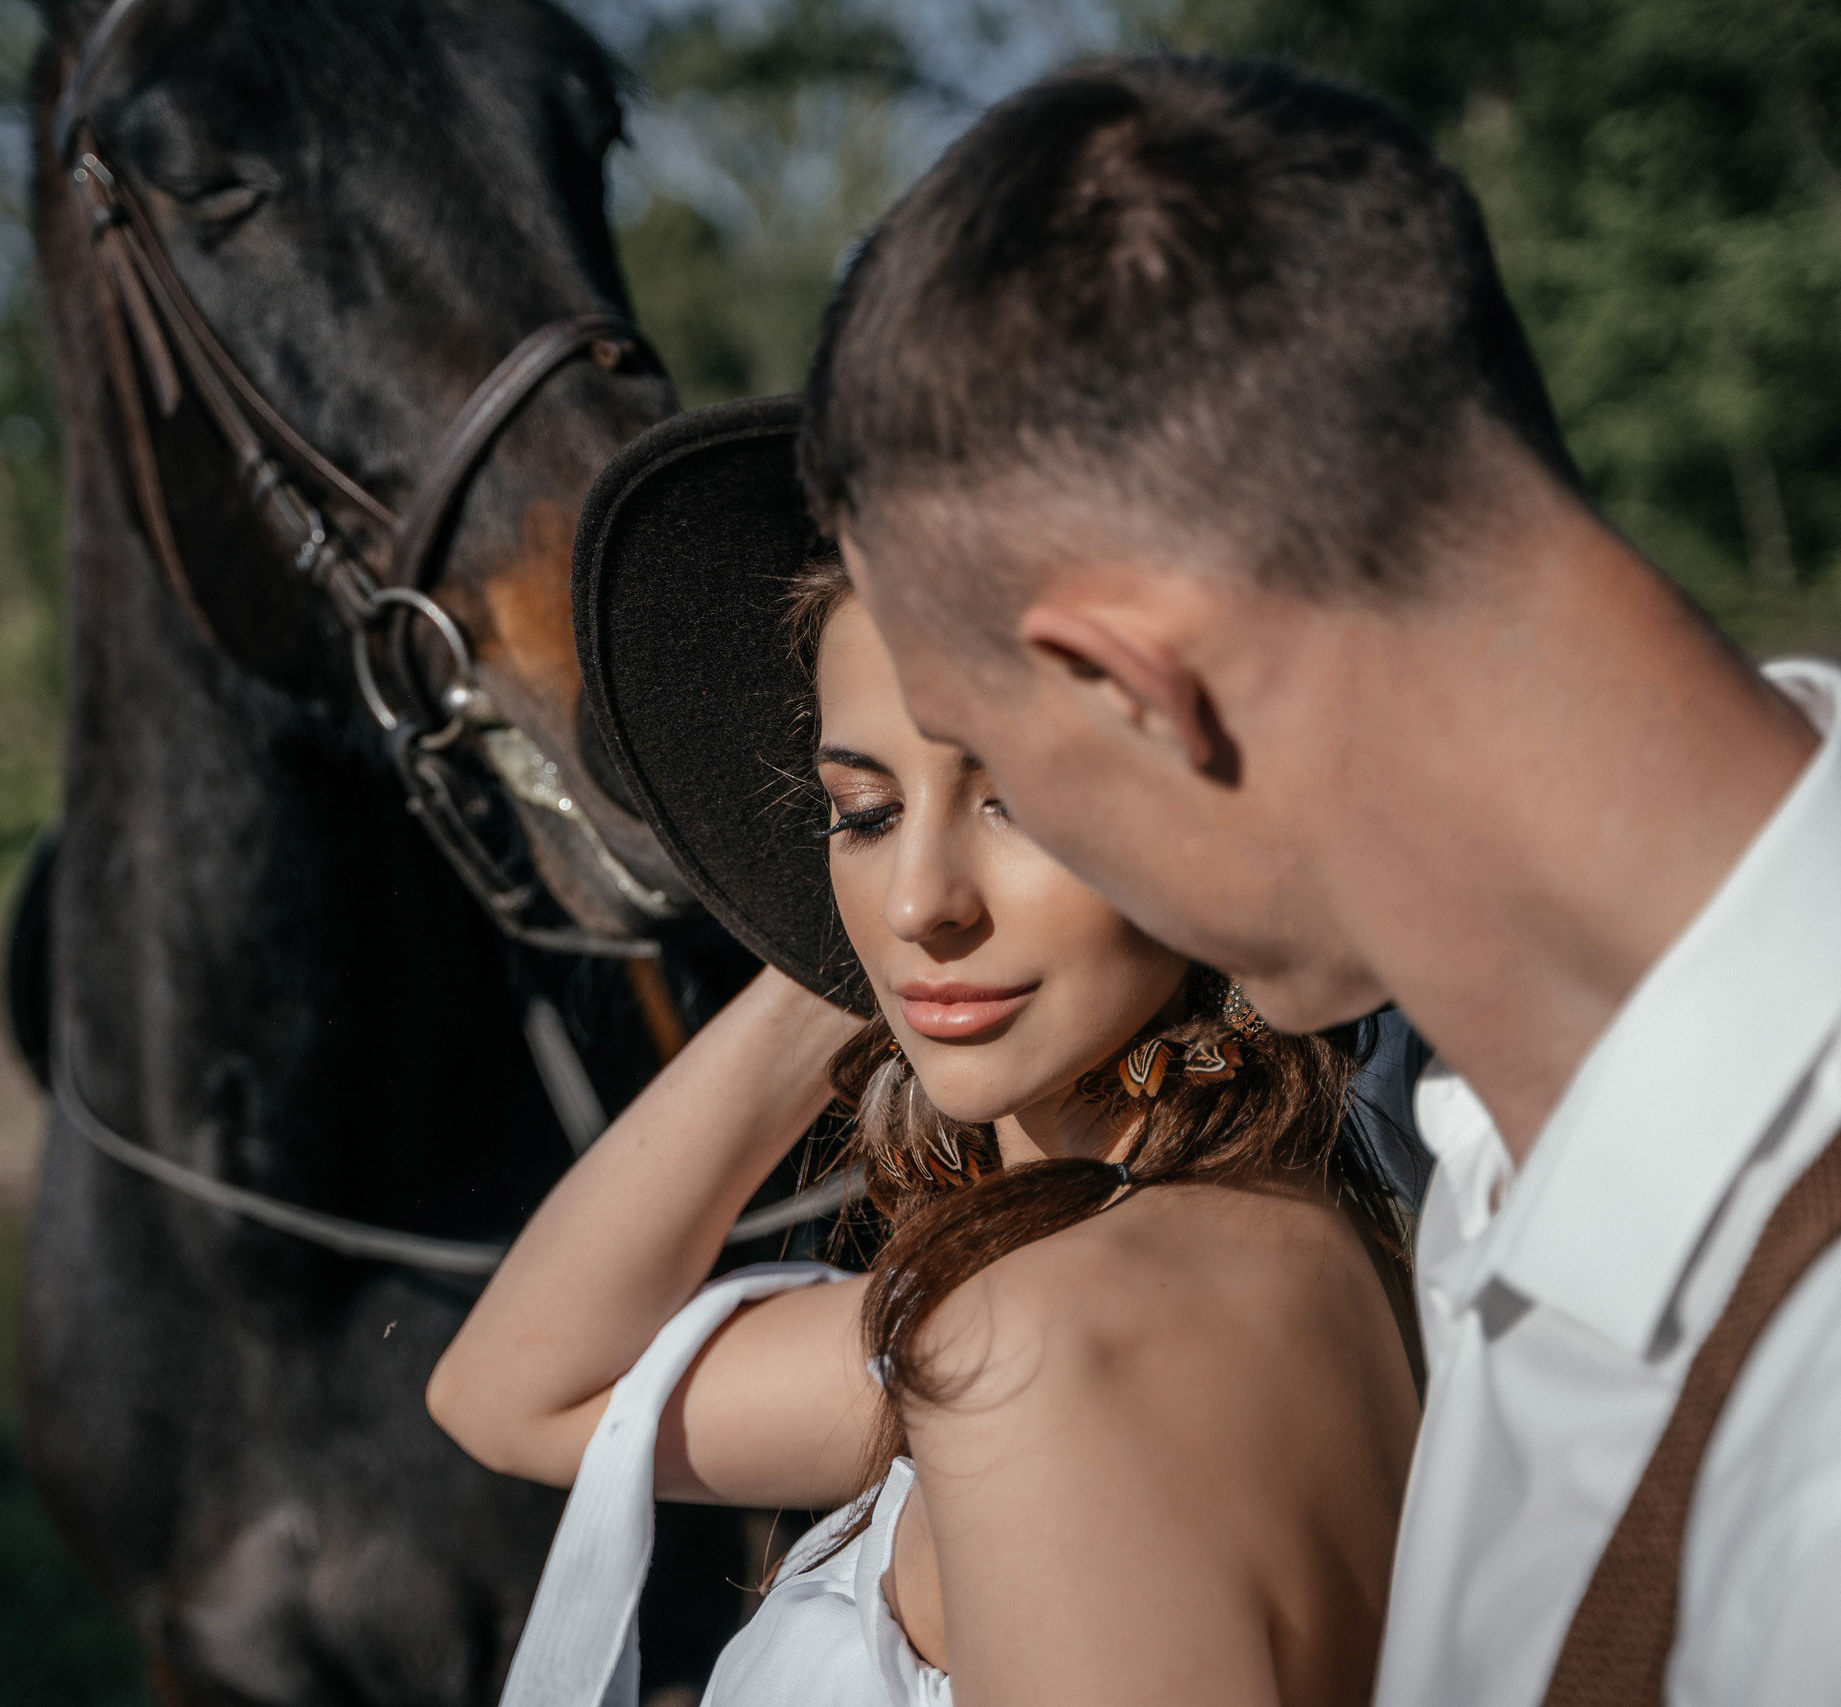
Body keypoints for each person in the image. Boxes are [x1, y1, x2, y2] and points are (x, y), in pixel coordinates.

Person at [797, 53, 1841, 1707]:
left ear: (1136, 692)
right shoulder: (1473, 1126)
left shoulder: (1807, 1478)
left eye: (994, 760)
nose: (931, 889)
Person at [428, 395, 1422, 1705]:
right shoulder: (1264, 1242)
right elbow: (518, 1395)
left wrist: (888, 933)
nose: (918, 903)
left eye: (1020, 800)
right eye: (861, 811)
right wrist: (841, 953)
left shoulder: (1038, 1345)